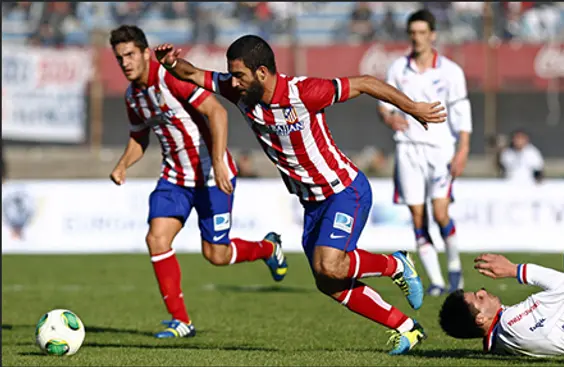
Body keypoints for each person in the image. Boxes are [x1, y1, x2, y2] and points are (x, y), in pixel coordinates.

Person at [154, 34, 448, 355]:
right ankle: (407, 328)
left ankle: (396, 265)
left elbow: (364, 82)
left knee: (331, 265)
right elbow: (193, 73)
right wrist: (171, 63)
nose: (233, 82)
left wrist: (413, 108)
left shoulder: (304, 92)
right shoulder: (238, 91)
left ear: (262, 73)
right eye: (231, 75)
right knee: (329, 283)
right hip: (311, 203)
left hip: (344, 190)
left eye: (239, 75)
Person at [108, 26, 288, 339]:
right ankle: (181, 321)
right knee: (157, 239)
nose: (125, 62)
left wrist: (218, 161)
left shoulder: (170, 77)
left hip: (209, 174)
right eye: (119, 57)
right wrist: (123, 165)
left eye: (130, 55)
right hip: (174, 178)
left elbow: (217, 112)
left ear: (145, 53)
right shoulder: (133, 96)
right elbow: (139, 137)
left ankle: (269, 248)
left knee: (216, 255)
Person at [438, 213, 564, 357]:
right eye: (478, 298)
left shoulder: (500, 338)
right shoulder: (514, 323)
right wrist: (514, 270)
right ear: (480, 319)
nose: (483, 291)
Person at [377, 9, 472, 296]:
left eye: (422, 32)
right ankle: (437, 281)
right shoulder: (397, 69)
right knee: (418, 218)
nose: (417, 38)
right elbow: (384, 104)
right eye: (412, 33)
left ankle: (454, 268)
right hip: (407, 150)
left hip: (440, 150)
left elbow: (461, 112)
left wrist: (463, 150)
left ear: (432, 35)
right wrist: (389, 117)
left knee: (440, 213)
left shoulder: (450, 71)